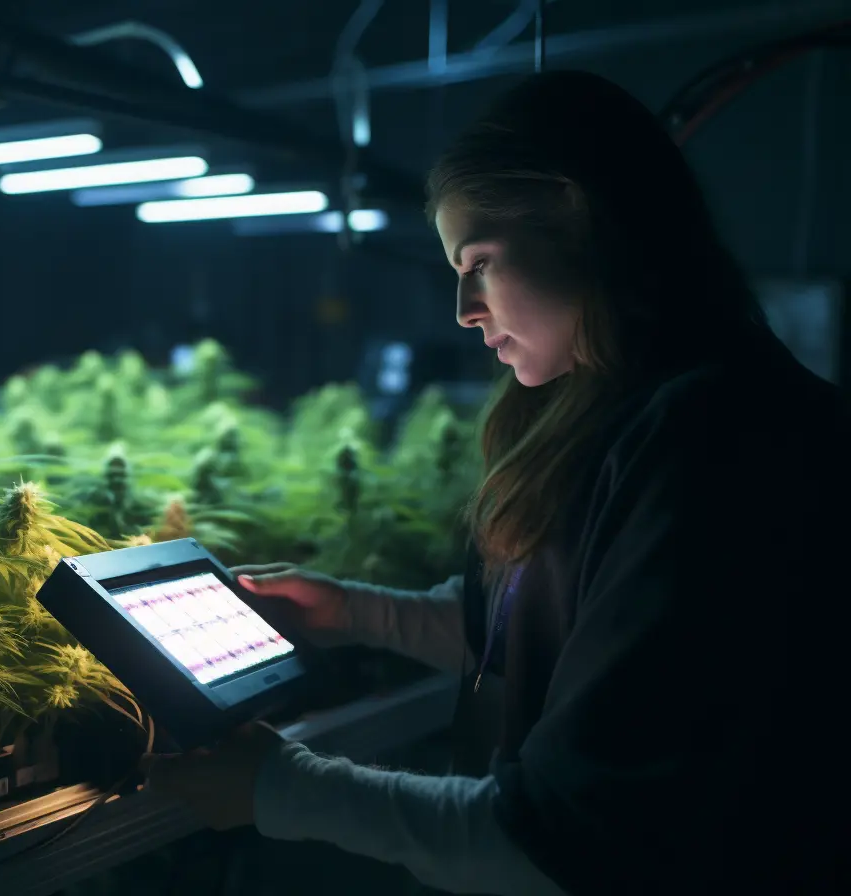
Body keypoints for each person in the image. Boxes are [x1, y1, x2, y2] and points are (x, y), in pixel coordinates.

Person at [144, 71, 849, 895]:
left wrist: (279, 786)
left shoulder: (721, 440)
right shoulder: (634, 412)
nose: (462, 309)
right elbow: (559, 635)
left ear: (574, 212)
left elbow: (568, 838)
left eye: (478, 261)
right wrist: (350, 611)